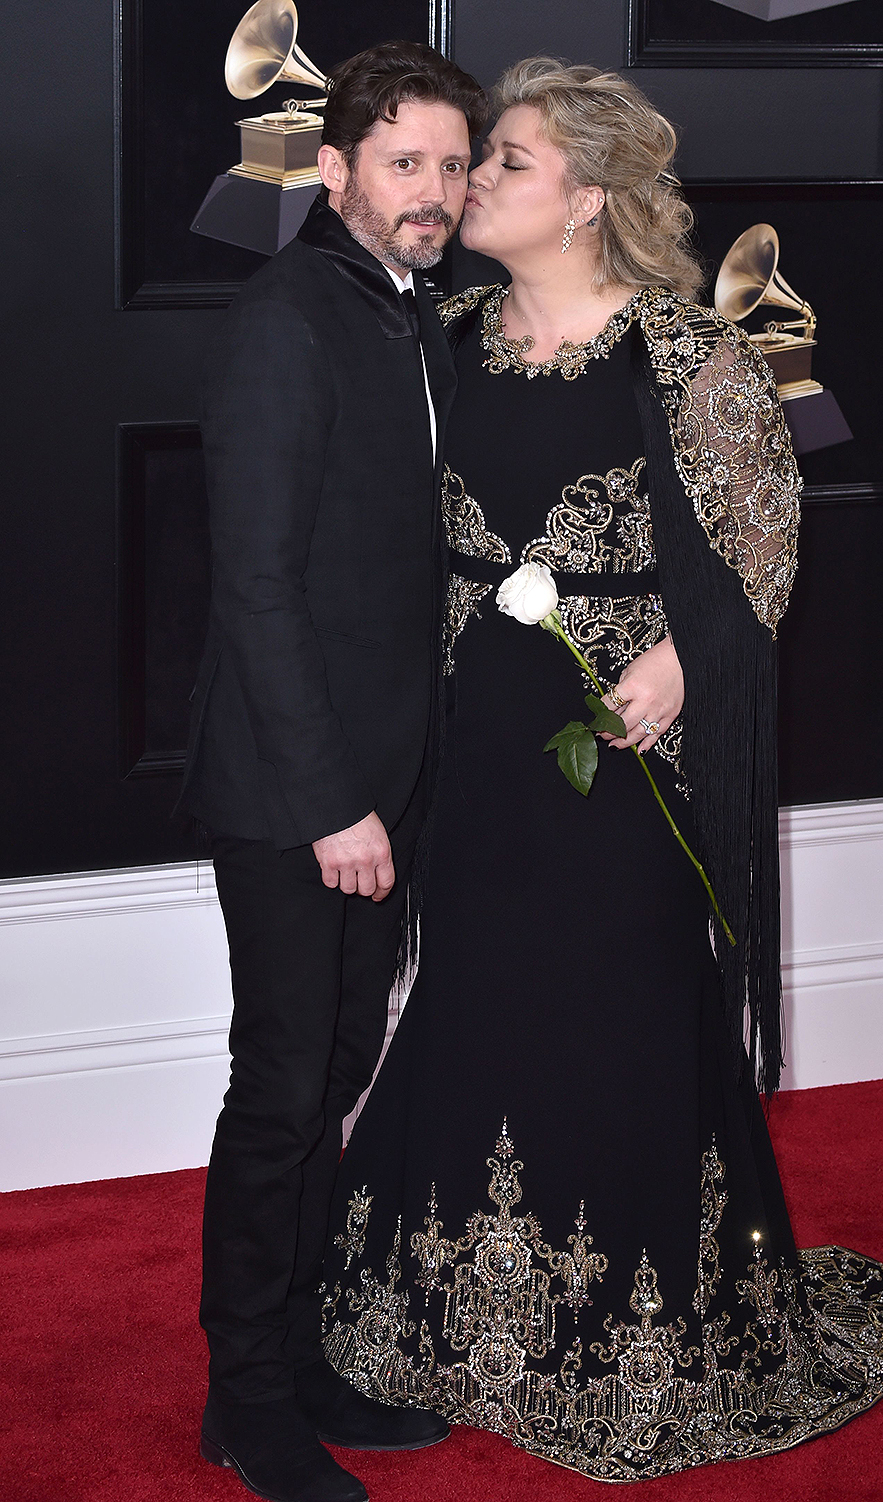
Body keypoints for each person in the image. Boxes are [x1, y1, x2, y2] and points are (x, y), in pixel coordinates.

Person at [318, 58, 883, 1484]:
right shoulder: (451, 339)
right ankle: (453, 1318)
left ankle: (640, 1330)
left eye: (509, 161)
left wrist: (680, 660)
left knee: (614, 1003)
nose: (476, 179)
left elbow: (764, 539)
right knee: (477, 988)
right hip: (474, 733)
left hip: (621, 746)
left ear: (590, 198)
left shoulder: (686, 351)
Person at [177, 40, 488, 1502]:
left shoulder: (412, 318)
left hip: (388, 777)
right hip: (301, 795)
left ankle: (297, 1357)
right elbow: (254, 589)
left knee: (340, 1068)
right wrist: (328, 802)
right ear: (339, 170)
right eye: (406, 163)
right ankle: (244, 1396)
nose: (433, 192)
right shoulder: (287, 321)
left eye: (452, 163)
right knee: (285, 1086)